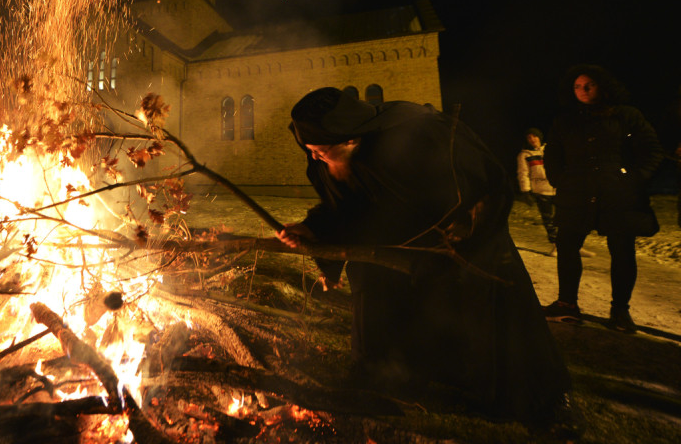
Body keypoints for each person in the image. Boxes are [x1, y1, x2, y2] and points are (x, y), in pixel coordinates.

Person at [277, 87, 575, 433]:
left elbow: (486, 185)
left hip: (464, 245)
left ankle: (542, 400)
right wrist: (313, 228)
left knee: (491, 318)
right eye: (310, 151)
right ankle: (386, 381)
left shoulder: (421, 134)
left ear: (350, 138)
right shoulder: (329, 159)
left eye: (321, 151)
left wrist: (468, 227)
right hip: (391, 251)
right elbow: (346, 210)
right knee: (379, 308)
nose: (314, 158)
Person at [542, 65, 664, 333]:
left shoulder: (627, 115)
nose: (583, 91)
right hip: (576, 192)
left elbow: (652, 151)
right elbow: (553, 154)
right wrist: (559, 179)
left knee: (621, 250)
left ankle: (620, 311)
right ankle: (567, 306)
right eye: (577, 86)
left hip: (618, 195)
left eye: (589, 85)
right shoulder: (565, 119)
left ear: (602, 86)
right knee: (566, 245)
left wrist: (633, 179)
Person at [516, 128, 596, 258]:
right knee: (549, 220)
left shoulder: (551, 150)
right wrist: (526, 191)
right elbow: (523, 173)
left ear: (539, 137)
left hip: (559, 188)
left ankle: (576, 246)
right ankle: (556, 246)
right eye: (529, 137)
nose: (532, 139)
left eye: (534, 136)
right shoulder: (525, 155)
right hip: (541, 190)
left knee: (569, 217)